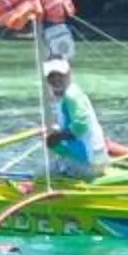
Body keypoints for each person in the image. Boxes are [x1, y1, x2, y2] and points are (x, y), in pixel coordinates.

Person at [41, 52, 109, 181]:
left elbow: (81, 125)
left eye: (60, 74)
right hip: (95, 161)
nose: (56, 79)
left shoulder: (71, 96)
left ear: (68, 73)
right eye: (51, 76)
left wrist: (57, 137)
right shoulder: (71, 93)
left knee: (40, 174)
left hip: (89, 164)